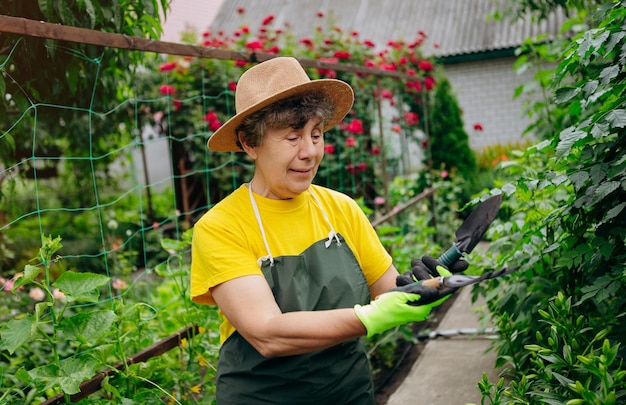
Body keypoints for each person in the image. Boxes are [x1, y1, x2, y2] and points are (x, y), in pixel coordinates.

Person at [190, 56, 467, 404]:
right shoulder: (221, 227)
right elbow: (267, 333)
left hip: (348, 393)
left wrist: (425, 286)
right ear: (249, 143)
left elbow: (387, 294)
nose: (310, 152)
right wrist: (370, 316)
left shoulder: (341, 209)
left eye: (316, 134)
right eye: (293, 137)